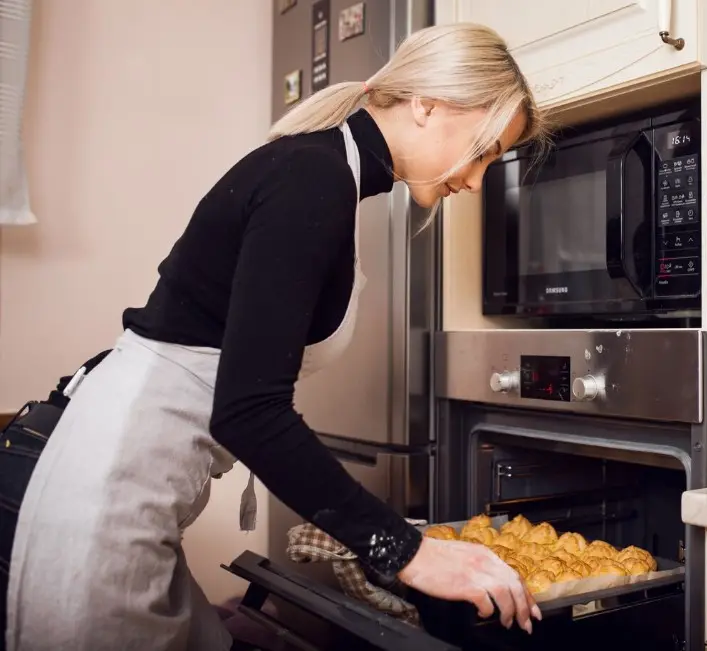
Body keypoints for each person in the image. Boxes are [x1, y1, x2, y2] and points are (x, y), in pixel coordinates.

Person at [1, 21, 548, 651]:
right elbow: (250, 412)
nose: (477, 180)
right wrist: (406, 552)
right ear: (427, 105)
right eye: (481, 150)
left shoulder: (322, 170)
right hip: (104, 491)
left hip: (126, 475)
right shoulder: (312, 177)